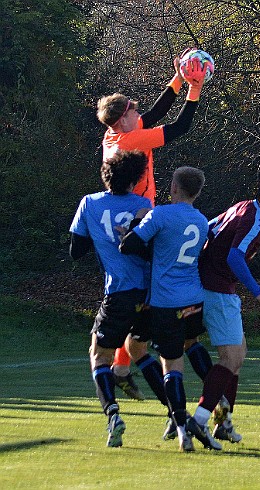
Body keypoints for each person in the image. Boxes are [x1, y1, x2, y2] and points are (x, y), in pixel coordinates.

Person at [96, 49, 209, 400]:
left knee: (136, 291)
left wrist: (179, 76)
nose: (137, 110)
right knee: (149, 293)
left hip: (126, 217)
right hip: (140, 220)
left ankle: (121, 367)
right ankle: (142, 357)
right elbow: (179, 126)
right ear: (121, 121)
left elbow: (156, 113)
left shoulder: (113, 136)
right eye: (131, 109)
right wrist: (195, 87)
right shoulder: (129, 139)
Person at [185, 166, 260, 450]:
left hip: (205, 286)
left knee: (238, 354)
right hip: (217, 292)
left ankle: (223, 423)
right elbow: (234, 257)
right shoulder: (254, 220)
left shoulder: (242, 207)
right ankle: (200, 420)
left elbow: (208, 231)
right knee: (230, 359)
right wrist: (259, 292)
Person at [119, 166, 209, 452]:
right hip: (194, 298)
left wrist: (131, 227)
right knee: (189, 343)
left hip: (166, 301)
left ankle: (181, 427)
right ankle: (216, 397)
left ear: (173, 187)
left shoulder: (161, 214)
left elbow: (129, 247)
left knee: (170, 364)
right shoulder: (202, 220)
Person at [68, 150, 154, 447]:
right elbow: (148, 246)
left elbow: (75, 252)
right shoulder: (144, 204)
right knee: (139, 350)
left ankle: (113, 414)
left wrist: (99, 236)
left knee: (99, 354)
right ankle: (175, 415)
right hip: (147, 292)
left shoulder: (90, 203)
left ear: (106, 175)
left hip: (118, 291)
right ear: (137, 178)